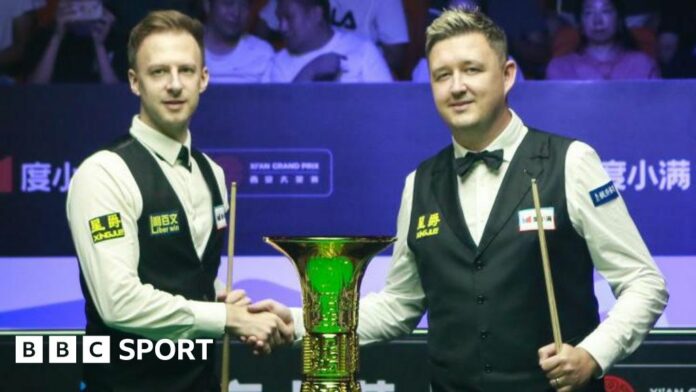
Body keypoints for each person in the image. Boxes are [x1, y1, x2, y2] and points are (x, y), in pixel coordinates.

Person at [255, 6, 668, 391]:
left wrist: (592, 355)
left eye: (472, 70)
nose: (457, 87)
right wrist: (299, 322)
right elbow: (399, 305)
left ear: (507, 75)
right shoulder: (419, 184)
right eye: (442, 75)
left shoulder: (570, 162)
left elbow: (644, 283)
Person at [66, 10, 293, 391]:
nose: (174, 84)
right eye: (158, 72)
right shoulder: (104, 173)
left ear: (203, 79)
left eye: (186, 71)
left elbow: (181, 268)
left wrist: (222, 298)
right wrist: (226, 318)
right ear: (135, 83)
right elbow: (118, 302)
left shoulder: (212, 173)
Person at [256, 0, 409, 72]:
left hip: (355, 77)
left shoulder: (366, 54)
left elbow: (397, 56)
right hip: (297, 66)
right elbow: (259, 34)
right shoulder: (281, 64)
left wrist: (354, 66)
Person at [546, 0, 659, 80]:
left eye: (605, 11)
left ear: (619, 19)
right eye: (589, 13)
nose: (597, 21)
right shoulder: (561, 67)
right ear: (580, 22)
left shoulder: (642, 64)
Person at [29, 0, 119, 84]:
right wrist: (56, 38)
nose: (82, 6)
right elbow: (33, 92)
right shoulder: (44, 37)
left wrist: (99, 45)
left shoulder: (115, 38)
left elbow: (119, 95)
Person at [203, 0, 274, 83]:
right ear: (207, 5)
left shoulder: (262, 54)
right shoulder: (186, 50)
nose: (236, 13)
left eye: (244, 6)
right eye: (228, 3)